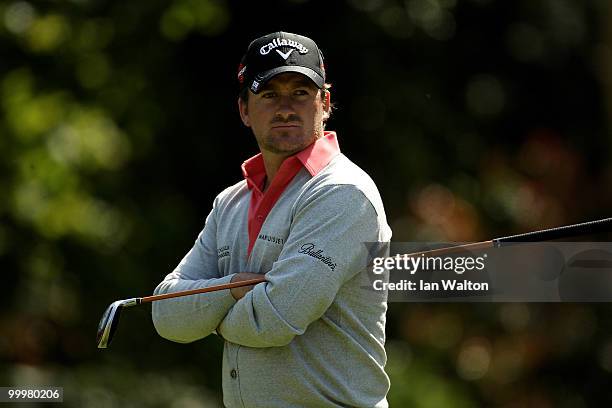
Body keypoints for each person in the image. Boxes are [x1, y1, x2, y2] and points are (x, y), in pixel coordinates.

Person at [151, 31, 392, 408]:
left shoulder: (343, 192)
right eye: (269, 94)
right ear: (245, 110)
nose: (285, 108)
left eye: (300, 92)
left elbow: (274, 319)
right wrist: (233, 288)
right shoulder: (229, 202)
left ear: (325, 103)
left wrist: (210, 315)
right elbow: (166, 314)